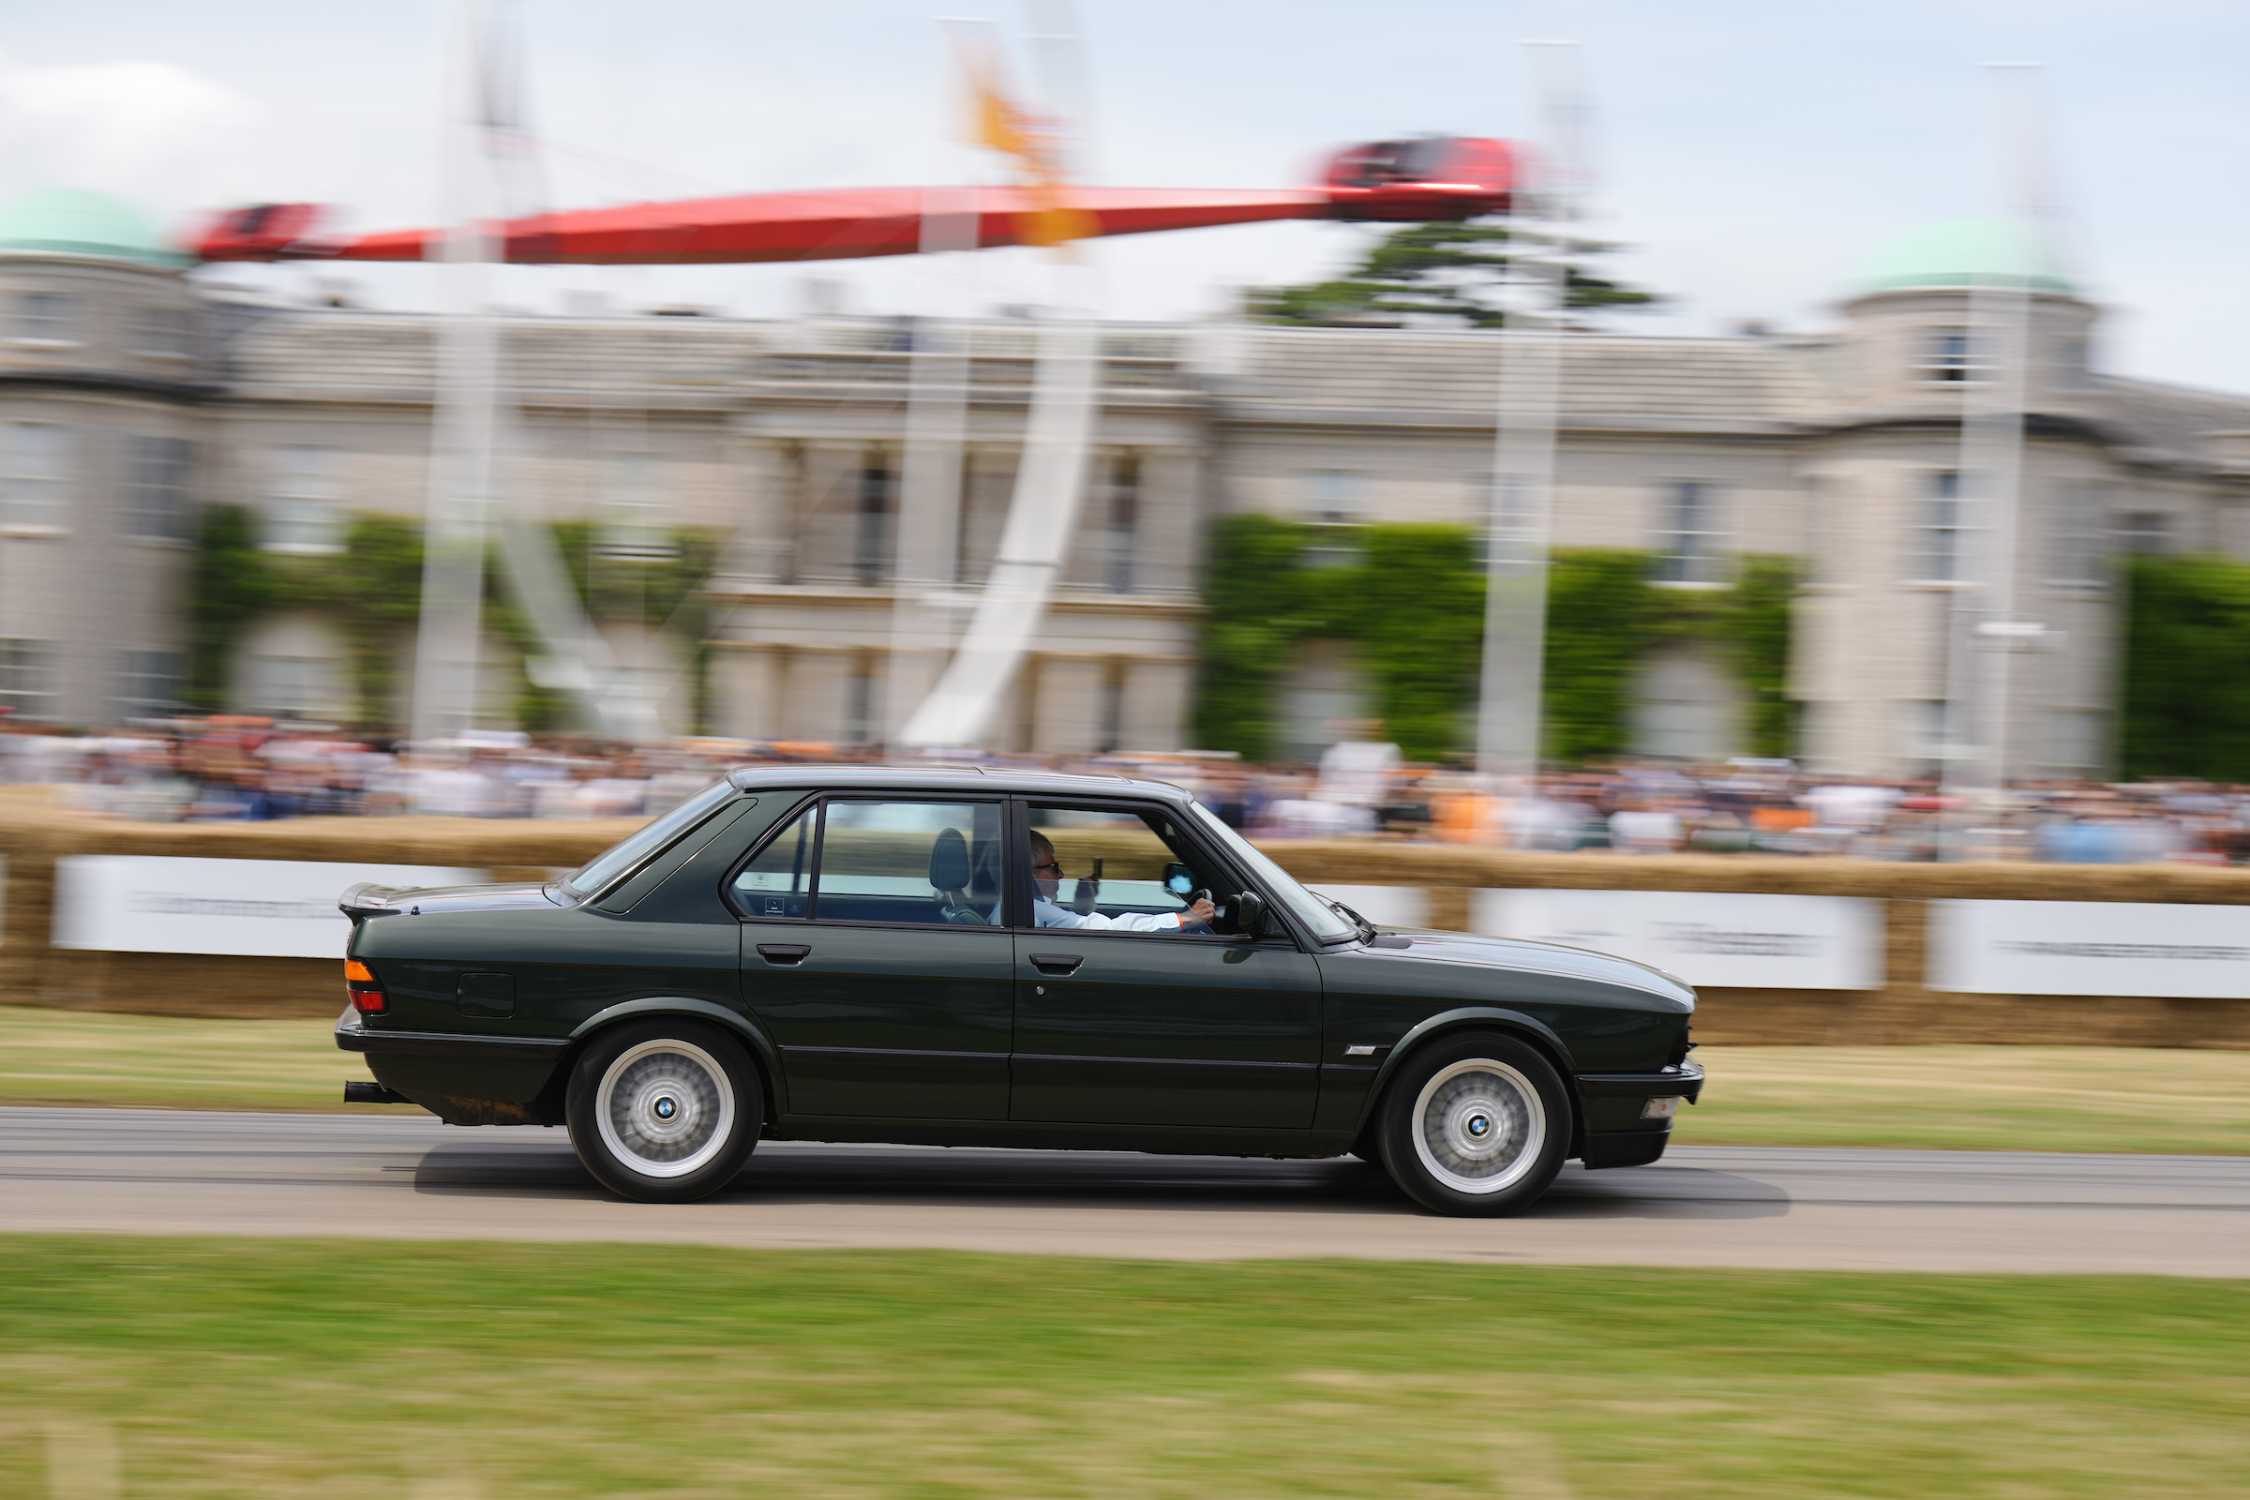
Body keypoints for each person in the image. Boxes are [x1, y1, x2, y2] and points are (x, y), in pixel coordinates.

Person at [998, 831, 1217, 931]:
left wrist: (1082, 904)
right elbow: (1111, 929)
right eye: (1054, 868)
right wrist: (1184, 919)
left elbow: (1067, 923)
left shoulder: (1024, 907)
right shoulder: (1031, 909)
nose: (1061, 875)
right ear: (1030, 874)